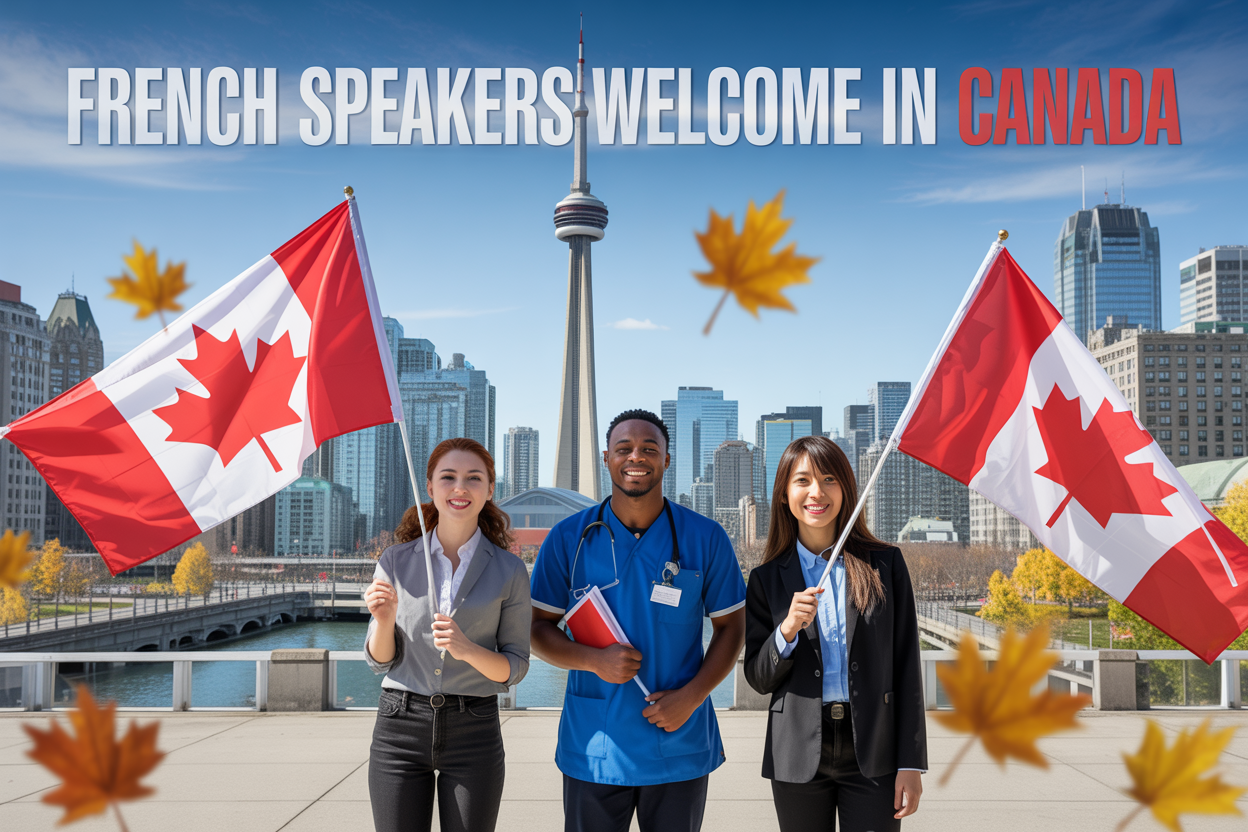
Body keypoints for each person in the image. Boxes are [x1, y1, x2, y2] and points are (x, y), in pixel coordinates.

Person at [530, 409, 747, 832]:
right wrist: (593, 661)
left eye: (650, 449)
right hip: (595, 745)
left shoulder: (705, 537)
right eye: (624, 448)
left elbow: (731, 628)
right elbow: (537, 629)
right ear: (607, 457)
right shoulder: (568, 539)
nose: (637, 457)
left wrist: (692, 697)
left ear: (667, 460)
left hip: (678, 741)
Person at [744, 435, 927, 832]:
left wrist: (911, 763)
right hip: (796, 751)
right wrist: (787, 630)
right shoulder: (765, 580)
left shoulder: (885, 565)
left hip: (874, 748)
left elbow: (907, 667)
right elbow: (758, 678)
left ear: (846, 490)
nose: (817, 492)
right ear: (783, 495)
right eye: (803, 480)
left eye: (829, 479)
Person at [364, 437, 531, 832]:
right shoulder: (395, 560)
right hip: (399, 727)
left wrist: (467, 649)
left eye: (474, 478)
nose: (460, 488)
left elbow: (515, 667)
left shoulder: (509, 570)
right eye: (448, 477)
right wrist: (384, 620)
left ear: (490, 490)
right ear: (431, 487)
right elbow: (379, 660)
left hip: (474, 729)